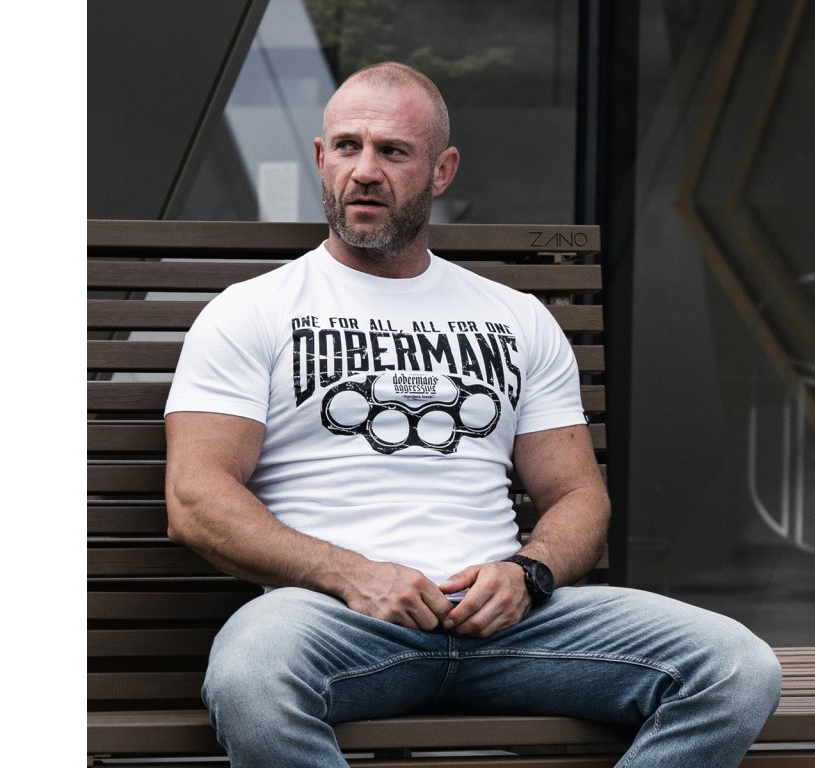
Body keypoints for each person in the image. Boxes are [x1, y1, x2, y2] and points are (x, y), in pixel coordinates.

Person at [164, 61, 782, 767]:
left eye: (393, 151)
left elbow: (578, 496)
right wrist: (350, 574)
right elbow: (196, 498)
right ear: (319, 157)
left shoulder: (515, 317)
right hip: (333, 619)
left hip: (510, 623)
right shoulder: (253, 311)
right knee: (250, 679)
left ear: (442, 170)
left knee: (737, 668)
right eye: (347, 147)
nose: (364, 171)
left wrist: (528, 573)